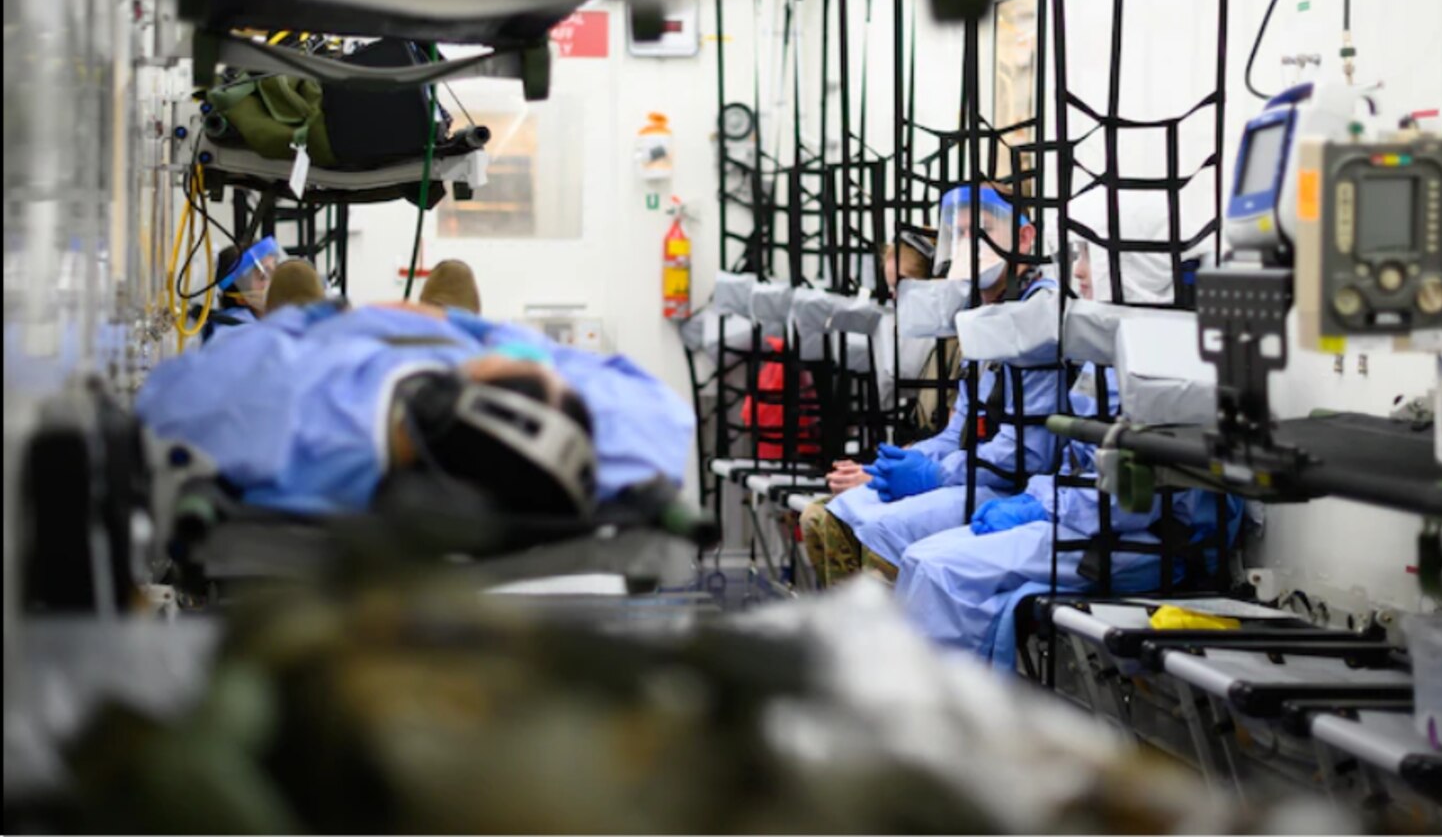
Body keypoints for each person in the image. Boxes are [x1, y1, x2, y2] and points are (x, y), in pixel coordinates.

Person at [893, 234, 1244, 670]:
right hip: (1088, 519)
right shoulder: (1115, 347)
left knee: (940, 572)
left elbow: (1128, 502)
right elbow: (1078, 460)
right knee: (920, 559)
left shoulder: (1164, 360)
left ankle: (952, 720)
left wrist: (1039, 505)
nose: (1077, 271)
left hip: (1143, 541)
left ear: (1136, 268)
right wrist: (1036, 499)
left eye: (1089, 256)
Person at [136, 298, 692, 517]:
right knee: (450, 300)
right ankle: (450, 310)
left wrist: (310, 318)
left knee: (291, 292)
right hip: (427, 357)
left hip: (342, 347)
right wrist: (485, 337)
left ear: (451, 396)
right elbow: (659, 412)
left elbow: (164, 398)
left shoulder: (278, 416)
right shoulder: (560, 456)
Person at [809, 184, 1066, 585]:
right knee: (824, 520)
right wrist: (896, 466)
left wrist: (933, 473)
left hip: (1010, 491)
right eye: (960, 234)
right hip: (974, 476)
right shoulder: (983, 315)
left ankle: (890, 647)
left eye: (981, 231)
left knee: (881, 533)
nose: (968, 245)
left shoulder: (1037, 316)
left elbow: (1022, 455)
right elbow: (956, 431)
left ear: (1025, 238)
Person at [800, 232, 938, 586]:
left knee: (871, 531)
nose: (894, 299)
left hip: (949, 479)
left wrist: (879, 476)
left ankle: (874, 636)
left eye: (903, 287)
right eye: (892, 289)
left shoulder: (955, 344)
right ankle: (847, 633)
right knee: (817, 516)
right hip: (926, 466)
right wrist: (877, 471)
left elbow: (955, 448)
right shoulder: (910, 338)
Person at [195, 237, 283, 343]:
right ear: (241, 298)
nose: (277, 279)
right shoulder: (235, 335)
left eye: (276, 269)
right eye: (263, 276)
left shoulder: (267, 326)